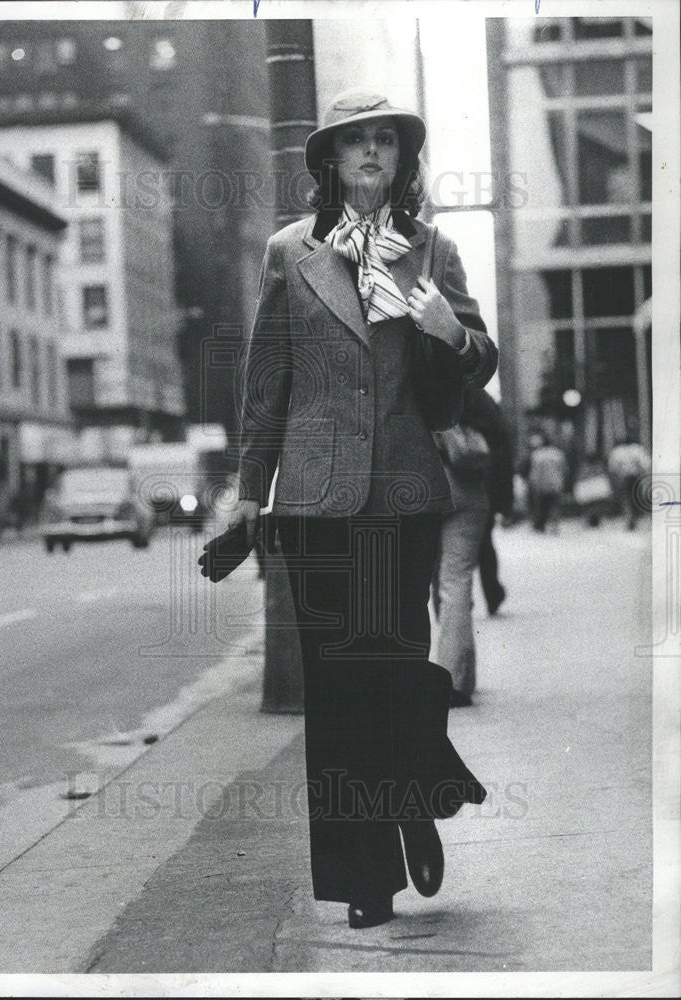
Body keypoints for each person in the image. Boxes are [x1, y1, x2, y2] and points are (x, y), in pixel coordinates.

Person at [230, 90, 498, 929]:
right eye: (358, 144)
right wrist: (247, 493)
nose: (374, 155)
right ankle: (365, 879)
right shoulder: (288, 253)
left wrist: (448, 331)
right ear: (331, 163)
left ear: (402, 159)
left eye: (387, 142)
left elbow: (481, 358)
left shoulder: (431, 249)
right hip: (313, 500)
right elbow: (265, 380)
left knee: (391, 674)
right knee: (339, 694)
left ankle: (416, 786)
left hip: (406, 496)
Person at [432, 390, 494, 708]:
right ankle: (457, 680)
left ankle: (419, 676)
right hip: (469, 488)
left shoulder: (408, 374)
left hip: (424, 486)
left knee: (419, 582)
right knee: (456, 583)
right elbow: (500, 438)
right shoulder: (473, 391)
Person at [475, 393, 514, 615]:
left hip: (444, 479)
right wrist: (504, 502)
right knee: (484, 545)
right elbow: (503, 458)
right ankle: (493, 594)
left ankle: (447, 606)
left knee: (444, 554)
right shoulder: (486, 404)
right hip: (483, 486)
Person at [526, 433, 568, 533]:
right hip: (556, 482)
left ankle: (540, 525)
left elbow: (534, 471)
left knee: (542, 505)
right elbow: (564, 469)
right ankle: (554, 525)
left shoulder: (537, 455)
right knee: (555, 505)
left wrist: (533, 484)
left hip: (541, 484)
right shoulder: (558, 453)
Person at [607, 437, 650, 530]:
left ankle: (630, 518)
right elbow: (646, 464)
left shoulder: (617, 451)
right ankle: (633, 518)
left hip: (624, 477)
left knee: (626, 498)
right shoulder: (637, 449)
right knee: (635, 498)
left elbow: (612, 467)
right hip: (635, 477)